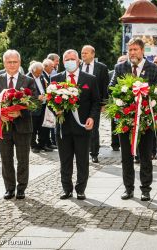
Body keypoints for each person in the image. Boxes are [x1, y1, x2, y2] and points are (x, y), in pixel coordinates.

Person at [110, 38, 157, 201]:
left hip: (146, 120)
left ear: (142, 51)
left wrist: (147, 97)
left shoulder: (154, 69)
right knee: (126, 156)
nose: (132, 53)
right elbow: (111, 88)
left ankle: (145, 189)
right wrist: (122, 96)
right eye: (130, 50)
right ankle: (128, 188)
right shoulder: (120, 68)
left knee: (145, 156)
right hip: (125, 120)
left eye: (135, 50)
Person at [0, 49, 37, 200]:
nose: (12, 65)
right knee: (6, 159)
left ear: (19, 63)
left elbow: (34, 102)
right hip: (4, 127)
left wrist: (20, 112)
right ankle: (9, 188)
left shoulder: (28, 80)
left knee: (23, 160)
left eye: (15, 62)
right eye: (9, 62)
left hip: (23, 127)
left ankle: (21, 188)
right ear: (4, 63)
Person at [51, 49, 100, 200]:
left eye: (72, 59)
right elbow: (49, 100)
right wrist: (55, 110)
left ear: (78, 61)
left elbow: (96, 102)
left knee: (82, 160)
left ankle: (80, 189)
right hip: (63, 128)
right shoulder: (56, 79)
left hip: (83, 127)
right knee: (65, 160)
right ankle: (66, 189)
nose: (70, 62)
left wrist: (92, 118)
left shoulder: (90, 79)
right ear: (63, 62)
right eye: (66, 59)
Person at [80, 45, 109, 163]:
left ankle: (94, 153)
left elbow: (105, 86)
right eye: (82, 53)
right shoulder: (78, 66)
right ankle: (82, 151)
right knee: (80, 127)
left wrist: (104, 103)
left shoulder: (101, 68)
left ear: (93, 54)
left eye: (86, 53)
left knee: (93, 128)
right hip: (80, 103)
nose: (83, 55)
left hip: (95, 103)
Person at [27, 61, 52, 153]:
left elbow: (44, 88)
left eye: (41, 72)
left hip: (44, 104)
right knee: (33, 127)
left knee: (43, 127)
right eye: (38, 72)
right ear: (33, 70)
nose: (40, 74)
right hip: (33, 107)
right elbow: (25, 93)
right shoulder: (27, 77)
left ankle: (42, 144)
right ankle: (33, 145)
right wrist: (37, 97)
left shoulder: (41, 76)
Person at [42, 58, 57, 149]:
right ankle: (45, 143)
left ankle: (48, 142)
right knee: (45, 125)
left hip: (47, 103)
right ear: (46, 66)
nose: (53, 68)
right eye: (51, 67)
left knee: (48, 124)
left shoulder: (47, 75)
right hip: (44, 103)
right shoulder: (43, 75)